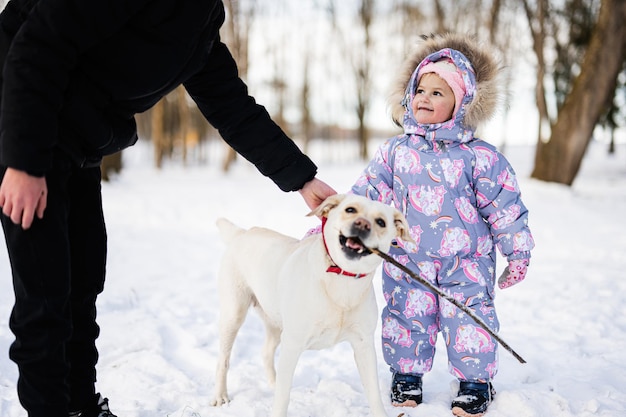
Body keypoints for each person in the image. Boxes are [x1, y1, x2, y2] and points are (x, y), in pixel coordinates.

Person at [0, 1, 336, 417]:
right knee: (46, 295)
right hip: (24, 124)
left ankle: (80, 406)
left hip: (76, 142)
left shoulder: (202, 18)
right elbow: (38, 45)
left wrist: (301, 178)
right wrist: (24, 161)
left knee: (82, 281)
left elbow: (232, 107)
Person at [350, 33, 535, 417]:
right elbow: (364, 197)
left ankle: (474, 381)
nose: (424, 98)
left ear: (461, 103)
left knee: (470, 318)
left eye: (438, 92)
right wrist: (332, 227)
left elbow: (505, 207)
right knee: (404, 315)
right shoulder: (395, 152)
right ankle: (406, 375)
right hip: (408, 259)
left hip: (466, 263)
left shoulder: (479, 157)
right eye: (420, 89)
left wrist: (517, 251)